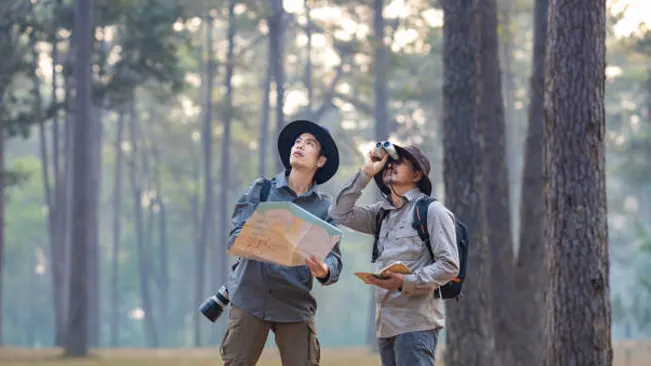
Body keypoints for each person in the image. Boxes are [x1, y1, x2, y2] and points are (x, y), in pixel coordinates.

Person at [220, 119, 343, 366]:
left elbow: (334, 258)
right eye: (297, 142)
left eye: (309, 144)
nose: (299, 145)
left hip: (294, 303)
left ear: (320, 161)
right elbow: (235, 236)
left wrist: (324, 269)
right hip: (250, 297)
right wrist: (260, 237)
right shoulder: (262, 190)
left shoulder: (326, 207)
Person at [328, 142, 459, 366]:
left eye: (398, 162)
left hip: (416, 326)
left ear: (417, 174)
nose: (390, 166)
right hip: (385, 326)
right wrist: (366, 173)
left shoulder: (432, 211)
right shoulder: (381, 214)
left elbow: (449, 266)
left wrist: (403, 282)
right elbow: (339, 213)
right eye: (388, 162)